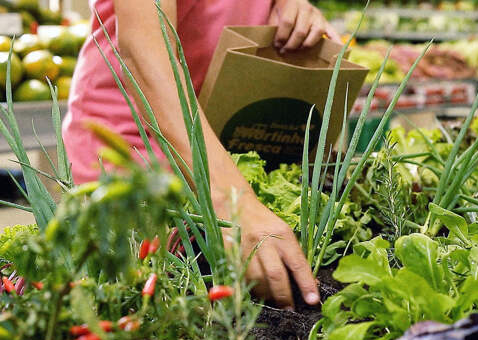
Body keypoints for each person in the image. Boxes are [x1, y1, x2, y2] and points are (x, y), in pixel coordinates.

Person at [61, 0, 339, 310]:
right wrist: (234, 202)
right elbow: (144, 52)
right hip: (134, 144)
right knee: (143, 307)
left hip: (217, 143)